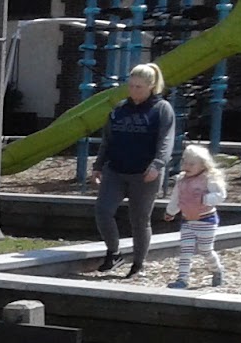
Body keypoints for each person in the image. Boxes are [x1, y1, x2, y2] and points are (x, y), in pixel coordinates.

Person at [92, 63, 177, 276]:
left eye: (139, 87)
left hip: (145, 174)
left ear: (151, 86)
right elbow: (107, 140)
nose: (133, 90)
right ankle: (114, 252)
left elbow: (166, 141)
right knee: (103, 211)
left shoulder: (161, 109)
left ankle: (138, 263)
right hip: (116, 170)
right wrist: (98, 165)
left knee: (139, 219)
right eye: (131, 86)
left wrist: (158, 164)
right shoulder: (119, 109)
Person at [163, 143, 228, 290]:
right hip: (187, 220)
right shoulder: (181, 180)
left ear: (203, 165)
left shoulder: (208, 179)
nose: (187, 166)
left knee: (205, 249)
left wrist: (205, 199)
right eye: (185, 162)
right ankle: (182, 279)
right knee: (185, 250)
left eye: (192, 164)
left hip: (206, 220)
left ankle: (217, 270)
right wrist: (170, 211)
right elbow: (176, 198)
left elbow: (221, 195)